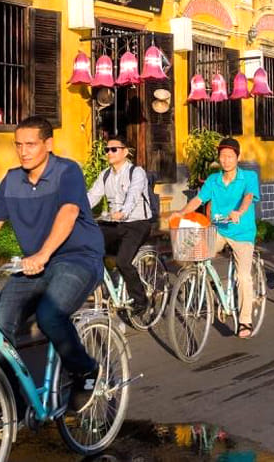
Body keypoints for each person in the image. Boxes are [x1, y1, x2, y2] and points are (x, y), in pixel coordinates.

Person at [0, 116, 106, 411]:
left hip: (77, 258)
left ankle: (85, 370)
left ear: (48, 144)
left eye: (31, 144)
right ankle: (14, 402)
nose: (24, 151)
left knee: (50, 315)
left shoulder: (66, 171)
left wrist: (44, 254)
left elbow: (69, 212)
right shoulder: (11, 179)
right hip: (33, 264)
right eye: (18, 145)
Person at [174, 137, 261, 338]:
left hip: (242, 233)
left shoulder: (249, 177)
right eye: (223, 156)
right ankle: (209, 285)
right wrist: (182, 213)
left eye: (230, 156)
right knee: (195, 254)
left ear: (238, 158)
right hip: (218, 230)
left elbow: (249, 197)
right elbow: (198, 199)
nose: (226, 160)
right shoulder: (213, 179)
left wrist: (239, 211)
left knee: (243, 277)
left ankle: (245, 320)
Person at [86, 135, 155, 316]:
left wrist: (123, 212)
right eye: (107, 150)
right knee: (88, 244)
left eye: (114, 149)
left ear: (125, 152)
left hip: (137, 223)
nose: (109, 153)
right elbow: (92, 196)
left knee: (123, 261)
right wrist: (73, 209)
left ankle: (141, 300)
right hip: (114, 223)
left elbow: (132, 195)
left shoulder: (136, 172)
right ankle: (102, 287)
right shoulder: (105, 175)